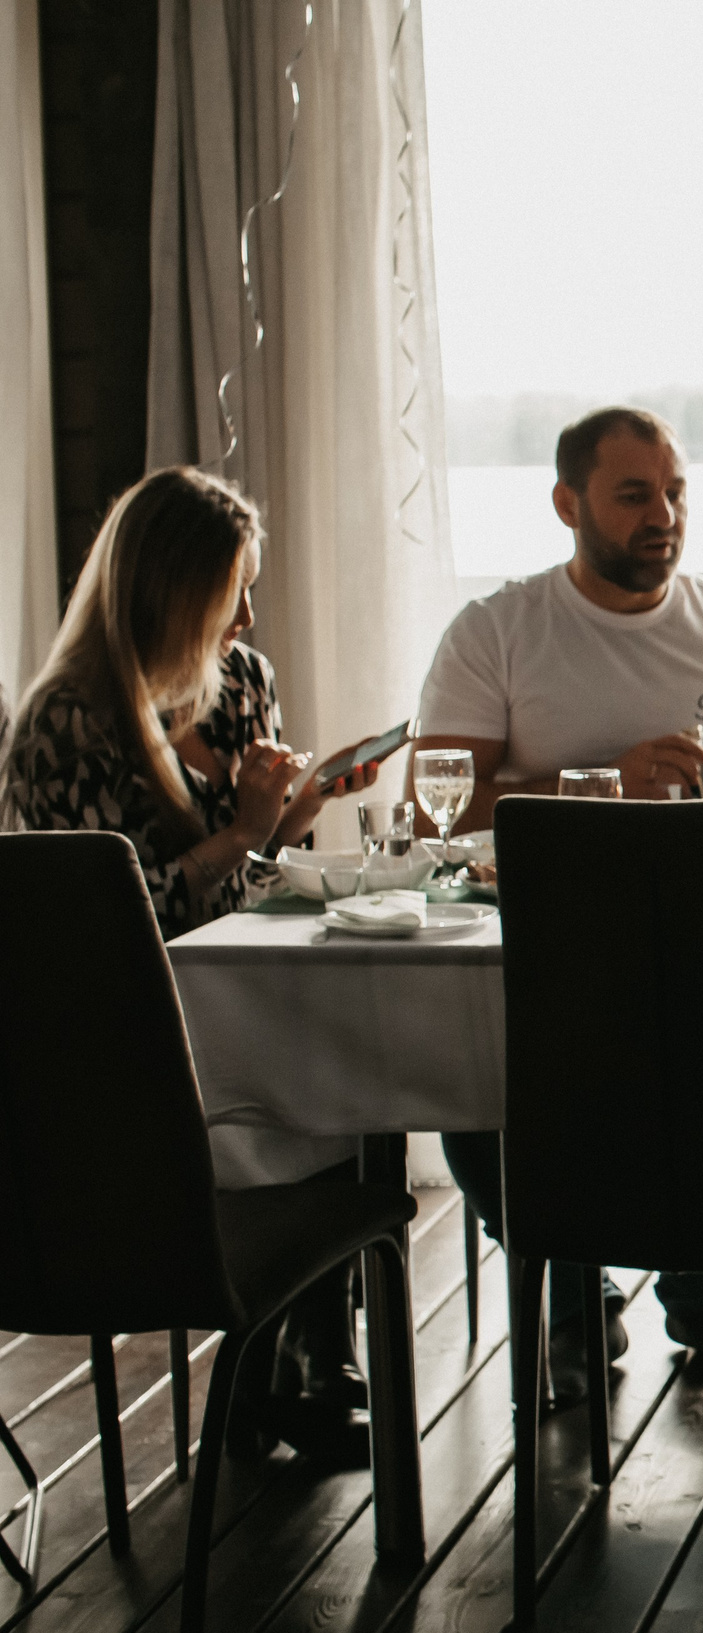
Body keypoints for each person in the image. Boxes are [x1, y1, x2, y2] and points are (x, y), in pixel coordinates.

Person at [3, 465, 387, 1465]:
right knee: (323, 1079)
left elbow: (247, 890)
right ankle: (280, 1359)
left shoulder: (236, 691)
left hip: (230, 1001)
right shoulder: (64, 728)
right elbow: (92, 938)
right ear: (171, 596)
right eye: (233, 596)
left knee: (346, 1057)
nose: (250, 619)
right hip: (122, 1042)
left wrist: (289, 818)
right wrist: (245, 834)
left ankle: (307, 1360)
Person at [415, 406, 703, 1389]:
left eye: (674, 492)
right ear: (567, 504)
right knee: (476, 1067)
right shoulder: (497, 630)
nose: (662, 514)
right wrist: (597, 785)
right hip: (548, 947)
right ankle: (569, 1295)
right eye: (634, 494)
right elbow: (436, 809)